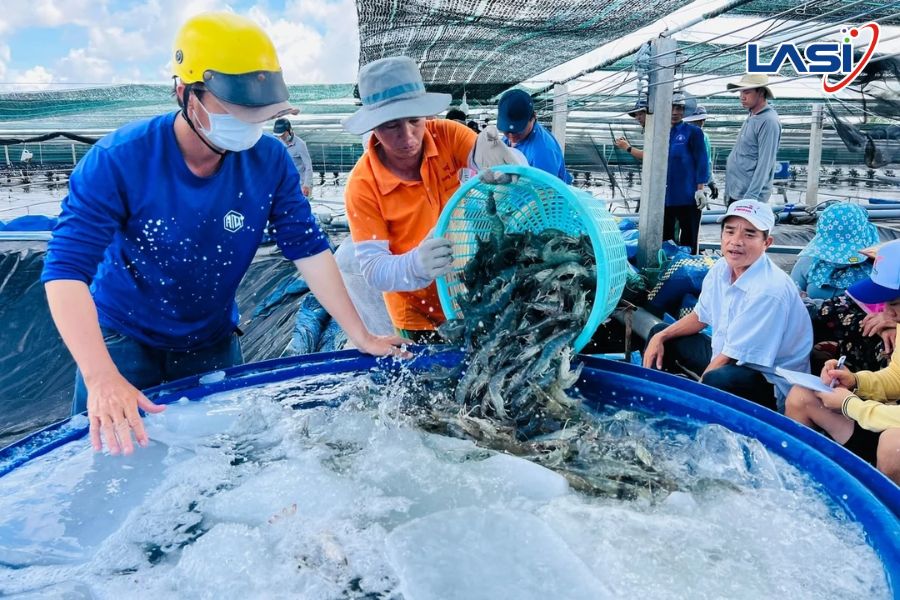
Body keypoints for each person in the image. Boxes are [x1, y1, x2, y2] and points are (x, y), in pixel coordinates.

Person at [40, 12, 407, 456]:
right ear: (185, 92)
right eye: (234, 109)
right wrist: (100, 377)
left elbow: (309, 249)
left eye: (258, 112)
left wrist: (362, 334)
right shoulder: (120, 160)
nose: (248, 123)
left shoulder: (268, 160)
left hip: (210, 341)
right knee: (115, 461)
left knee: (213, 462)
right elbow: (64, 272)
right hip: (123, 340)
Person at [342, 56, 521, 342]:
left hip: (468, 290)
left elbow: (480, 153)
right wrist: (415, 265)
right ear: (373, 126)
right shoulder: (362, 186)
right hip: (416, 312)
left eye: (414, 120)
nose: (408, 136)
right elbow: (374, 269)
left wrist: (506, 160)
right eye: (391, 126)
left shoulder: (445, 135)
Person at [643, 200, 813, 411]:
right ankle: (655, 405)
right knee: (660, 333)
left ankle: (686, 413)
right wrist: (661, 336)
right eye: (730, 232)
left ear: (766, 243)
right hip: (725, 357)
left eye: (749, 234)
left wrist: (693, 400)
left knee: (718, 379)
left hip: (770, 381)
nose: (736, 241)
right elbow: (700, 317)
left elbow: (730, 358)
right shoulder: (721, 269)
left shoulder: (769, 290)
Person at [785, 240, 900, 483]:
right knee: (802, 396)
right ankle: (802, 487)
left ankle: (886, 515)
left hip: (891, 431)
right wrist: (854, 381)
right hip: (881, 417)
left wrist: (850, 405)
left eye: (895, 304)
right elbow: (896, 378)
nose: (886, 314)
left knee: (893, 446)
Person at [791, 203, 878, 301]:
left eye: (846, 253)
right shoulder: (808, 262)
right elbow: (791, 297)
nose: (840, 261)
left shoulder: (879, 267)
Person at [662, 93, 709, 254]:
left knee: (689, 238)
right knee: (665, 238)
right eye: (672, 107)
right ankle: (668, 272)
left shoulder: (693, 132)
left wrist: (700, 189)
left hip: (688, 195)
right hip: (665, 197)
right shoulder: (659, 134)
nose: (675, 112)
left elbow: (701, 160)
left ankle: (690, 269)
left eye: (679, 108)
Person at [725, 73, 781, 204]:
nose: (742, 97)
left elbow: (765, 163)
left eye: (747, 92)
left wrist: (751, 197)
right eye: (740, 93)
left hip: (748, 197)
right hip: (737, 192)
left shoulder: (768, 121)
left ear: (761, 92)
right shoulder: (752, 115)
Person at [496, 88, 572, 183]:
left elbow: (547, 194)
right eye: (506, 131)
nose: (511, 136)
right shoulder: (513, 136)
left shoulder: (542, 153)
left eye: (518, 130)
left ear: (533, 118)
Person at [683, 105, 718, 200]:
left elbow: (707, 161)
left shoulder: (704, 137)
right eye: (697, 120)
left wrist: (711, 181)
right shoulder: (681, 136)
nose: (701, 123)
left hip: (697, 184)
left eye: (703, 120)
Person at [272, 117, 314, 198]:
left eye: (283, 134)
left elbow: (308, 165)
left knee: (302, 207)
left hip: (301, 184)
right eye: (279, 136)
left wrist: (306, 185)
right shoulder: (279, 143)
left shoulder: (300, 144)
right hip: (287, 183)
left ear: (289, 130)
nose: (281, 137)